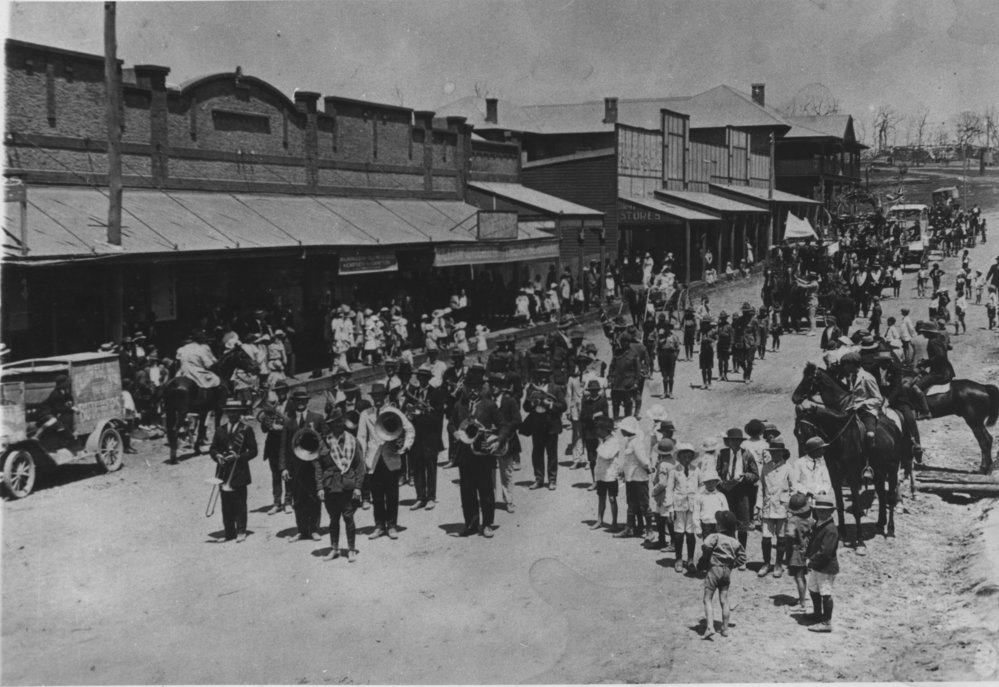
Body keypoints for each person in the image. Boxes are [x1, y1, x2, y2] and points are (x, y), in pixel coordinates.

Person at [358, 383, 414, 540]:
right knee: (376, 495)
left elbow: (409, 429)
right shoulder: (365, 414)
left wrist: (404, 447)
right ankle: (379, 526)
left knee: (392, 494)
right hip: (373, 459)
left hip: (390, 458)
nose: (377, 399)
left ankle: (392, 525)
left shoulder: (393, 412)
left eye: (380, 396)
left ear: (385, 397)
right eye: (375, 396)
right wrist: (362, 457)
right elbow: (361, 437)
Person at [313, 409, 364, 562]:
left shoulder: (353, 441)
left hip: (347, 485)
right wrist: (320, 487)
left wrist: (358, 487)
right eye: (335, 424)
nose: (338, 427)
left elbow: (359, 466)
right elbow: (318, 467)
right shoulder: (323, 442)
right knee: (333, 519)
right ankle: (334, 548)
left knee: (348, 517)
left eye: (340, 423)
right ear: (330, 425)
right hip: (330, 486)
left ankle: (351, 549)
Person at [455, 379, 501, 537]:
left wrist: (496, 440)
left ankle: (487, 524)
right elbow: (450, 424)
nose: (472, 391)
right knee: (467, 492)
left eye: (476, 388)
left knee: (486, 490)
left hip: (483, 455)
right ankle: (471, 524)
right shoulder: (459, 405)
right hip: (465, 455)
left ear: (481, 389)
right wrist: (454, 432)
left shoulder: (489, 405)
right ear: (465, 388)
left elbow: (503, 425)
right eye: (469, 387)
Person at [209, 399, 258, 543]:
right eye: (229, 412)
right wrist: (217, 456)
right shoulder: (220, 429)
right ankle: (229, 532)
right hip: (223, 471)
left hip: (239, 471)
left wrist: (240, 457)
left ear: (239, 413)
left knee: (240, 503)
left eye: (235, 412)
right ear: (226, 413)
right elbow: (213, 448)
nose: (232, 415)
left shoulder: (246, 429)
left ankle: (241, 531)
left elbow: (254, 451)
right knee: (226, 504)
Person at [280, 388, 326, 541]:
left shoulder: (317, 418)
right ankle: (301, 530)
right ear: (293, 402)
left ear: (307, 401)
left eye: (303, 400)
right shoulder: (288, 421)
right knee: (298, 498)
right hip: (295, 466)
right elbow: (284, 446)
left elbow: (325, 442)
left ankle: (313, 529)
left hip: (313, 465)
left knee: (314, 497)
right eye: (297, 401)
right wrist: (284, 467)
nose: (300, 403)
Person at [697, 510, 746, 639]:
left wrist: (706, 558)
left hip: (714, 569)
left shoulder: (715, 536)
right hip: (727, 572)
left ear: (720, 526)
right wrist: (732, 564)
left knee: (707, 599)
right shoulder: (735, 542)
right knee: (724, 600)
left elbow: (706, 545)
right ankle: (724, 628)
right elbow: (743, 557)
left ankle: (710, 627)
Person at [405, 364, 446, 511]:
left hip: (430, 437)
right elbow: (406, 411)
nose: (421, 380)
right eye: (419, 377)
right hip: (416, 437)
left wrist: (420, 415)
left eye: (424, 378)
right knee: (417, 468)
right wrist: (409, 413)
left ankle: (431, 498)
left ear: (428, 379)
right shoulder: (413, 392)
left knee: (431, 468)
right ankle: (420, 497)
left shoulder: (436, 394)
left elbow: (438, 416)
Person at [522, 363, 567, 490]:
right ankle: (539, 479)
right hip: (537, 424)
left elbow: (563, 406)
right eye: (539, 374)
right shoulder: (531, 389)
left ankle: (552, 480)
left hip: (551, 425)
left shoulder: (556, 388)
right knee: (537, 453)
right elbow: (525, 407)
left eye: (544, 374)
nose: (541, 377)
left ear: (548, 376)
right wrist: (532, 403)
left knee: (552, 453)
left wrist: (550, 405)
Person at [716, 427, 759, 559]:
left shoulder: (747, 454)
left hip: (742, 491)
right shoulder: (722, 454)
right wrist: (721, 482)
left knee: (742, 523)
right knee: (728, 521)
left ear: (741, 441)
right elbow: (717, 471)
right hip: (726, 491)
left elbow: (755, 475)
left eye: (737, 440)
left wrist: (745, 476)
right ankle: (730, 552)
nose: (735, 443)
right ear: (728, 441)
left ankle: (741, 554)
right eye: (732, 440)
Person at [755, 438, 793, 578]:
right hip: (767, 507)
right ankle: (766, 563)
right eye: (773, 452)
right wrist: (758, 507)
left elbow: (793, 489)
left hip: (782, 508)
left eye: (778, 452)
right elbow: (761, 488)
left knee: (781, 538)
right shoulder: (765, 467)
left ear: (783, 453)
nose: (775, 454)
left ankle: (778, 564)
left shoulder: (788, 468)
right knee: (766, 537)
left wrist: (790, 508)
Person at [613, 416, 653, 541]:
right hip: (630, 478)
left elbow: (643, 460)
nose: (621, 431)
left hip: (639, 478)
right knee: (631, 503)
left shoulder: (636, 443)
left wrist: (649, 469)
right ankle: (631, 527)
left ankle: (649, 530)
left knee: (644, 504)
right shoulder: (628, 442)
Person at [256, 378, 291, 514]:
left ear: (287, 392)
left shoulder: (292, 405)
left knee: (288, 473)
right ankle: (277, 503)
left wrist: (282, 426)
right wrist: (267, 423)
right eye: (278, 391)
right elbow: (264, 429)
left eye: (283, 391)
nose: (281, 393)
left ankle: (288, 501)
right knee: (275, 475)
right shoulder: (272, 406)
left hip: (287, 444)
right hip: (273, 445)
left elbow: (294, 424)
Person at [805, 496, 840, 633]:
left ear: (831, 512)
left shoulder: (831, 529)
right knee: (813, 589)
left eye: (825, 511)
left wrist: (811, 560)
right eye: (819, 510)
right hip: (817, 566)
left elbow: (826, 552)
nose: (821, 513)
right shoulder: (818, 523)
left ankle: (826, 622)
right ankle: (817, 613)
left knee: (825, 593)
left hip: (826, 567)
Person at [840, 352, 882, 463]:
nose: (844, 367)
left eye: (845, 364)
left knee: (869, 435)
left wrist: (862, 403)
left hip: (867, 411)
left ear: (852, 364)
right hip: (853, 411)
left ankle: (870, 461)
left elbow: (878, 399)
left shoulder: (867, 378)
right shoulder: (852, 376)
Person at [668, 443, 701, 572]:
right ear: (679, 457)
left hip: (693, 506)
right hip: (678, 505)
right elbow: (669, 489)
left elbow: (701, 486)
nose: (686, 459)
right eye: (684, 456)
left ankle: (691, 559)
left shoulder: (696, 470)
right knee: (679, 533)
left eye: (689, 456)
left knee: (691, 533)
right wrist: (670, 507)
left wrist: (699, 504)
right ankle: (678, 559)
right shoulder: (674, 471)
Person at [493, 373, 522, 514]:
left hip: (507, 441)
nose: (493, 388)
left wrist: (504, 431)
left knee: (507, 472)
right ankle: (490, 499)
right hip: (489, 442)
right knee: (489, 471)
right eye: (491, 384)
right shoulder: (485, 401)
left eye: (496, 385)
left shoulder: (509, 401)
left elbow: (517, 420)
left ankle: (509, 501)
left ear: (501, 387)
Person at [784, 493, 814, 610]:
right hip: (805, 550)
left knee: (798, 577)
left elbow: (790, 534)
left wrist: (787, 532)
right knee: (802, 576)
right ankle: (803, 598)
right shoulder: (809, 521)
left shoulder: (793, 521)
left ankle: (802, 603)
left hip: (795, 552)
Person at [591, 416, 621, 530]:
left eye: (599, 429)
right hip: (602, 475)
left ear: (605, 430)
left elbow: (607, 455)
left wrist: (600, 444)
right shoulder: (604, 441)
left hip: (610, 475)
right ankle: (600, 520)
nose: (597, 431)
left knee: (612, 499)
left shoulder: (613, 441)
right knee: (601, 497)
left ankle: (614, 522)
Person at [579, 378, 609, 490]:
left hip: (600, 434)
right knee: (592, 459)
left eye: (595, 390)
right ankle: (595, 481)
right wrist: (593, 416)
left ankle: (603, 480)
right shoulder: (585, 402)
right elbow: (582, 417)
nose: (593, 392)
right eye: (591, 390)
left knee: (602, 458)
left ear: (598, 391)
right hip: (589, 434)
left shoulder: (603, 401)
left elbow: (606, 416)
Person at [789, 437, 834, 505]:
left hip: (820, 500)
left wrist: (823, 490)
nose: (823, 451)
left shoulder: (822, 464)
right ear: (815, 450)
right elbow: (795, 483)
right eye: (821, 449)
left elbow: (827, 482)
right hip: (804, 500)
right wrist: (807, 492)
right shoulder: (799, 463)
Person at [650, 438, 676, 550]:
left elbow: (662, 482)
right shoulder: (673, 461)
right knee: (663, 517)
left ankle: (671, 543)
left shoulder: (663, 465)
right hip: (671, 493)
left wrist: (654, 491)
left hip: (664, 495)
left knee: (665, 518)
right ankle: (664, 541)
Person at [693, 469, 728, 540]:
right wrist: (698, 529)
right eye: (708, 482)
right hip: (706, 525)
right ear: (704, 483)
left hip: (719, 525)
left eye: (713, 482)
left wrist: (725, 526)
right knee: (707, 547)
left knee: (719, 546)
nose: (711, 484)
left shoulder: (721, 496)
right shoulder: (700, 496)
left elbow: (726, 512)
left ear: (716, 482)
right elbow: (696, 513)